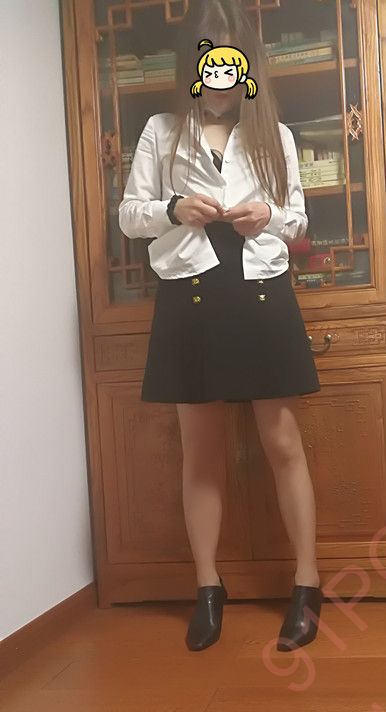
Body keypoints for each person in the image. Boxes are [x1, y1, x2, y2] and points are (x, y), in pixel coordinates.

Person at [118, 0, 323, 653]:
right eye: (209, 58)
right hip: (191, 294)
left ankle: (307, 584)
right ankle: (208, 587)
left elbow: (299, 221)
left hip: (262, 292)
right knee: (200, 453)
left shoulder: (275, 135)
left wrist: (270, 217)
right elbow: (129, 215)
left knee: (282, 443)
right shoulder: (161, 131)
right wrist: (174, 208)